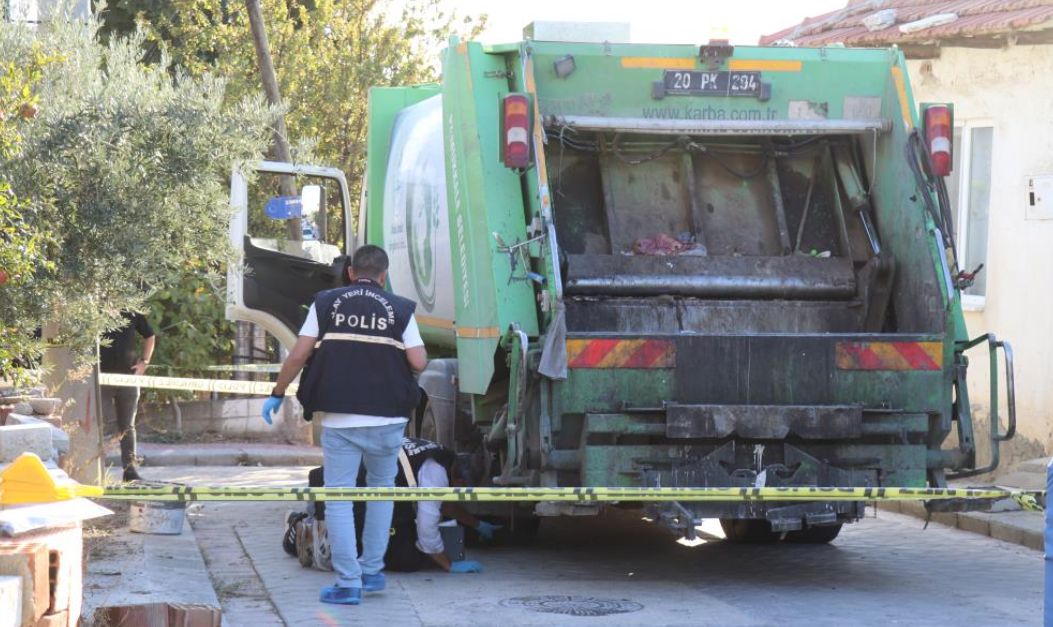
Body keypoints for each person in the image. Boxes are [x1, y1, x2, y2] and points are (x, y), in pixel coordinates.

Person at [263, 245, 425, 607]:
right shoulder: (400, 308)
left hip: (340, 418)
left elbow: (300, 354)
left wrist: (277, 391)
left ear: (351, 271)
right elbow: (418, 359)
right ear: (384, 275)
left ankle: (349, 583)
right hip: (388, 418)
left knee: (339, 497)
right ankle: (372, 572)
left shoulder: (326, 302)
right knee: (382, 491)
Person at [284, 437, 498, 574]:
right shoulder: (437, 473)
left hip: (334, 478)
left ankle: (316, 521)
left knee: (402, 527)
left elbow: (441, 503)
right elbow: (427, 529)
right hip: (357, 495)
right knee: (408, 558)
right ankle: (307, 531)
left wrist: (477, 524)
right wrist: (448, 565)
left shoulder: (441, 456)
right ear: (459, 481)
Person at [99, 311, 155, 482]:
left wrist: (144, 362)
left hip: (128, 377)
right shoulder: (94, 307)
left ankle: (130, 472)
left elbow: (150, 335)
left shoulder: (132, 310)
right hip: (100, 378)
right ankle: (95, 470)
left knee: (128, 427)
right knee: (99, 424)